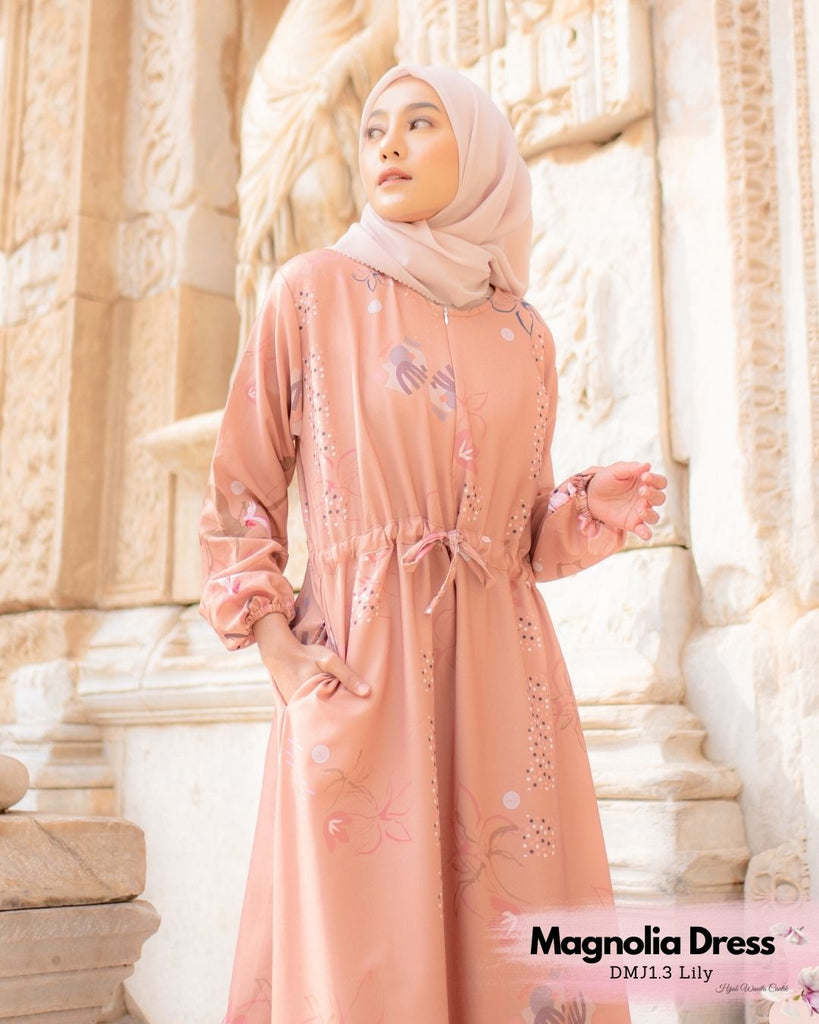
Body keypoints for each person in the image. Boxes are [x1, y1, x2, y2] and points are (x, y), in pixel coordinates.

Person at [198, 62, 666, 1024]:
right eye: (374, 128)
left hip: (502, 678)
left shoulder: (523, 333)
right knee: (364, 963)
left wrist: (586, 509)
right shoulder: (310, 292)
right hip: (359, 669)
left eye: (419, 123)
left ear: (479, 151)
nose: (388, 144)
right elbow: (241, 487)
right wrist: (277, 648)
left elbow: (515, 537)